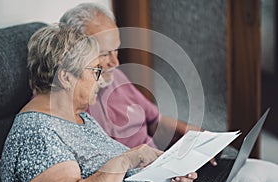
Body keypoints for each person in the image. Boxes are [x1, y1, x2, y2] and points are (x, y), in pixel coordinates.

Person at [0, 23, 197, 182]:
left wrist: (164, 176)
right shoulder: (36, 133)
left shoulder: (81, 119)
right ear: (66, 77)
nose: (101, 80)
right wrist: (126, 160)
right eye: (95, 71)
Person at [60, 2, 217, 165]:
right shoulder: (64, 103)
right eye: (105, 54)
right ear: (74, 52)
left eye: (116, 50)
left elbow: (154, 121)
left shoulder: (116, 77)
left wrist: (192, 136)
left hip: (161, 167)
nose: (115, 62)